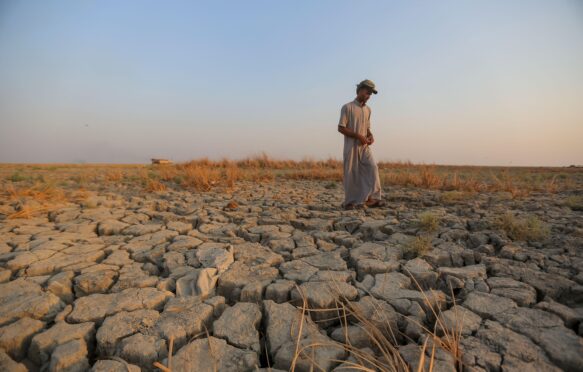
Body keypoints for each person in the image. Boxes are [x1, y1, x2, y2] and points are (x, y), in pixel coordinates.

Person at [337, 79, 385, 210]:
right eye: (367, 92)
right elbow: (341, 128)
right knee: (352, 173)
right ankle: (350, 202)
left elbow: (367, 127)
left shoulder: (368, 110)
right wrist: (358, 136)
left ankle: (372, 198)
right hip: (351, 146)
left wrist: (370, 135)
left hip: (364, 147)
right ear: (359, 90)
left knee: (372, 167)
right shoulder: (347, 107)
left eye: (370, 94)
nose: (368, 95)